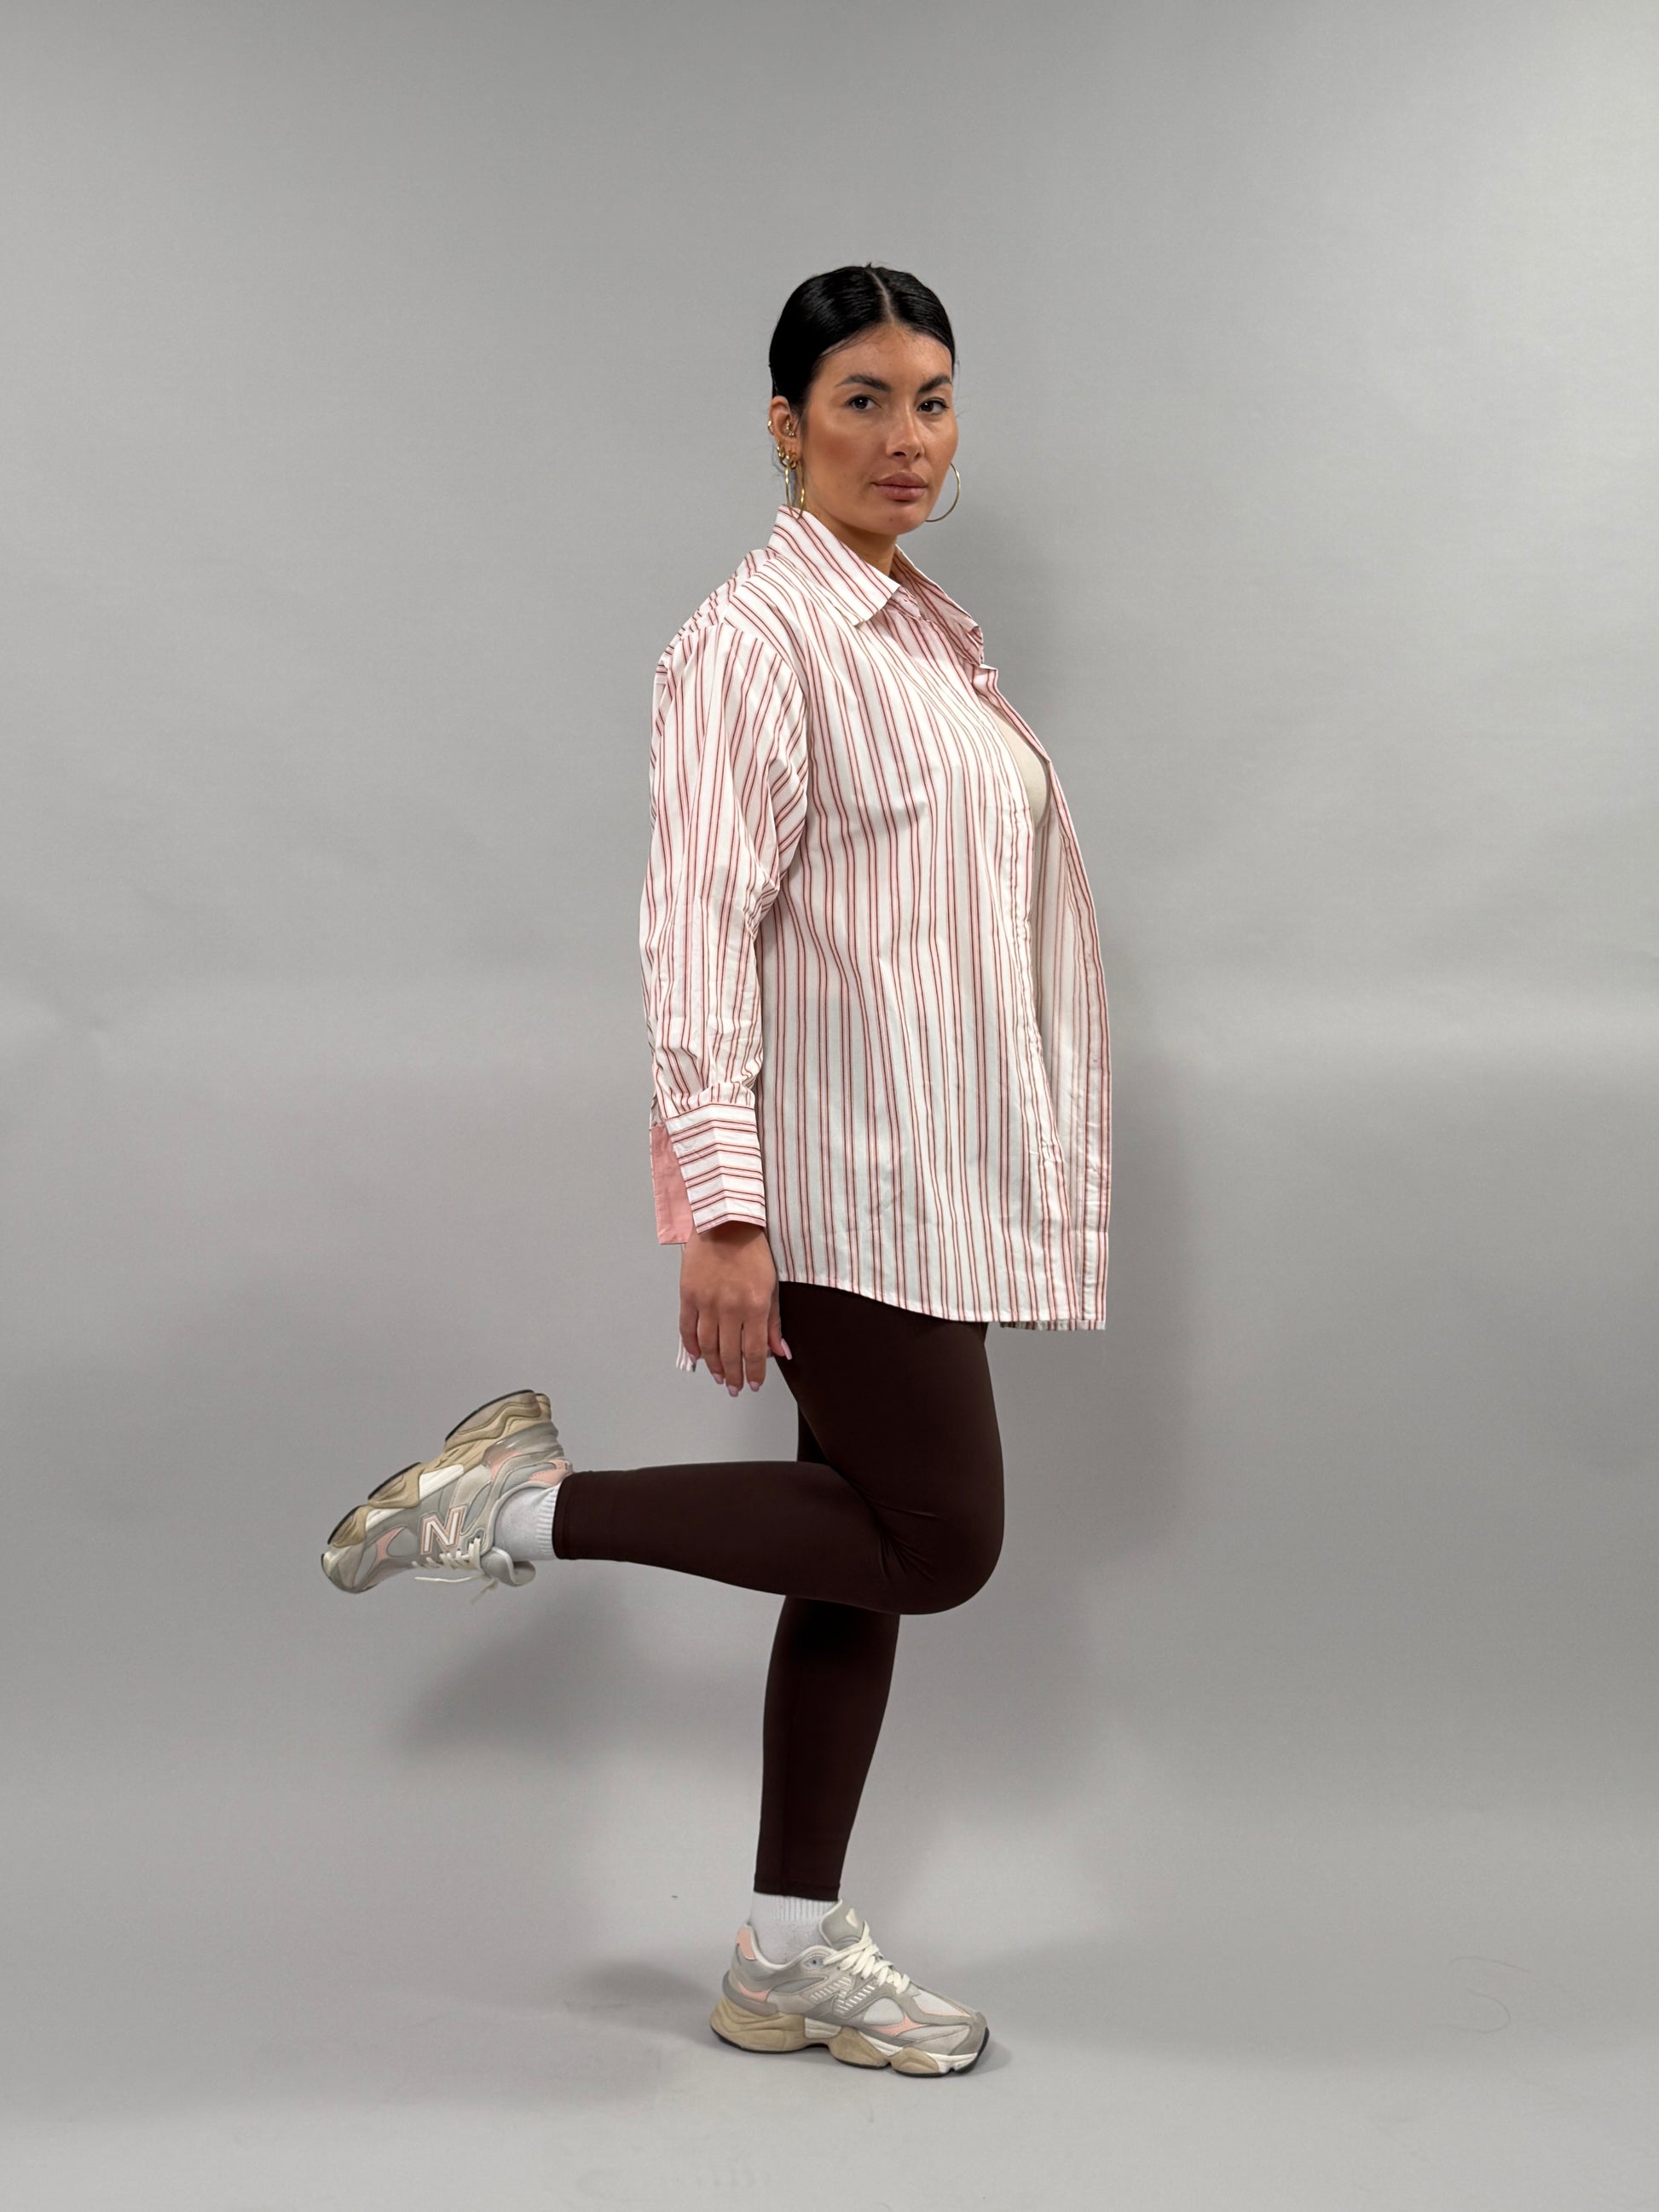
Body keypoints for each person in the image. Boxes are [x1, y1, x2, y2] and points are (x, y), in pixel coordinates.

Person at [319, 264, 1113, 2080]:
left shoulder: (917, 632)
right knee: (937, 1543)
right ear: (783, 424)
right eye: (861, 401)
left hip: (932, 1165)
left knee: (855, 1559)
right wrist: (727, 1209)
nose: (905, 438)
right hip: (841, 1173)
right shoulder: (757, 639)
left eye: (931, 399)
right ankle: (515, 1507)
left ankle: (784, 1953)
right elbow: (696, 936)